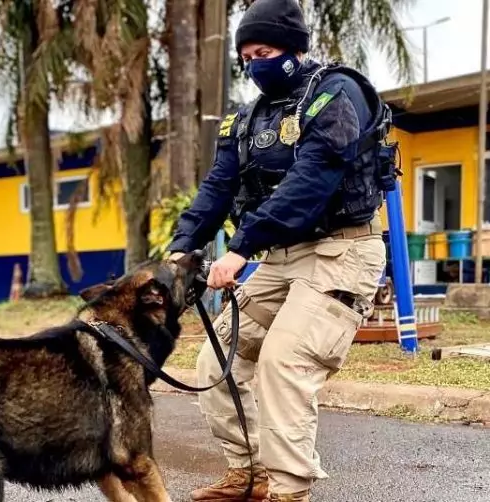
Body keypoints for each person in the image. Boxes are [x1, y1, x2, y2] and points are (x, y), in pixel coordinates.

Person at [167, 0, 394, 500]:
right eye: (246, 57)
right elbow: (218, 186)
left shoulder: (336, 94)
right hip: (281, 256)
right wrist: (181, 247)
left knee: (283, 362)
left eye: (264, 53)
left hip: (341, 252)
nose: (255, 65)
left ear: (294, 48)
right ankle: (251, 475)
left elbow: (311, 181)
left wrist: (241, 247)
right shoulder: (248, 118)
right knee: (217, 361)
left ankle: (289, 491)